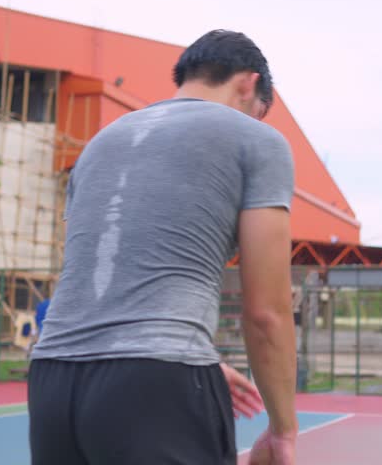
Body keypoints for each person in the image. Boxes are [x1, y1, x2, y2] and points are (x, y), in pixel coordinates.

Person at [28, 30, 298, 464]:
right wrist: (283, 429)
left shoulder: (100, 144)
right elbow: (267, 311)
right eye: (258, 112)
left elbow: (95, 272)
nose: (255, 121)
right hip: (158, 378)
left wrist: (186, 354)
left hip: (53, 378)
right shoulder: (256, 141)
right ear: (249, 84)